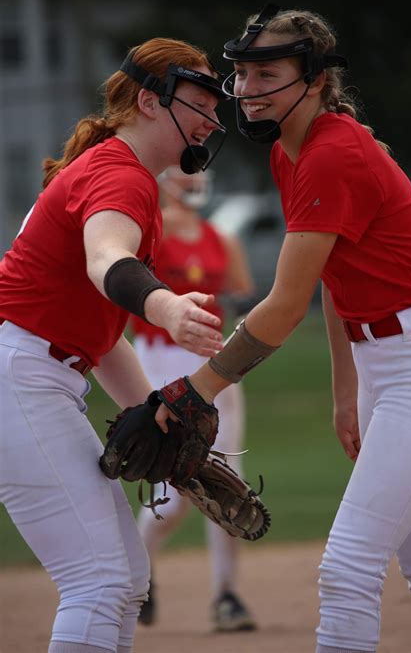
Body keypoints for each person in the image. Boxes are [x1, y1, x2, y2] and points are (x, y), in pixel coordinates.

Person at [155, 5, 411, 653]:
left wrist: (195, 389)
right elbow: (335, 282)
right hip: (396, 364)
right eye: (241, 73)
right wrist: (347, 390)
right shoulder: (291, 156)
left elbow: (282, 306)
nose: (246, 87)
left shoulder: (332, 153)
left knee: (348, 566)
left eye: (266, 71)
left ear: (317, 79)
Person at [0, 36, 229, 653]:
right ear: (151, 102)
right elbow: (108, 261)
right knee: (98, 580)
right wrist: (166, 306)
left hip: (33, 372)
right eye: (199, 99)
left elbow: (100, 340)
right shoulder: (119, 173)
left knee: (123, 580)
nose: (213, 116)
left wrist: (163, 418)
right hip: (18, 374)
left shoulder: (119, 171)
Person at [131, 164, 257, 632]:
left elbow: (241, 288)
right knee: (175, 487)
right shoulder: (149, 231)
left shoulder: (219, 236)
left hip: (214, 361)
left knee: (227, 477)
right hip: (159, 359)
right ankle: (138, 575)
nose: (194, 179)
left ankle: (227, 595)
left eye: (199, 171)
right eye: (184, 171)